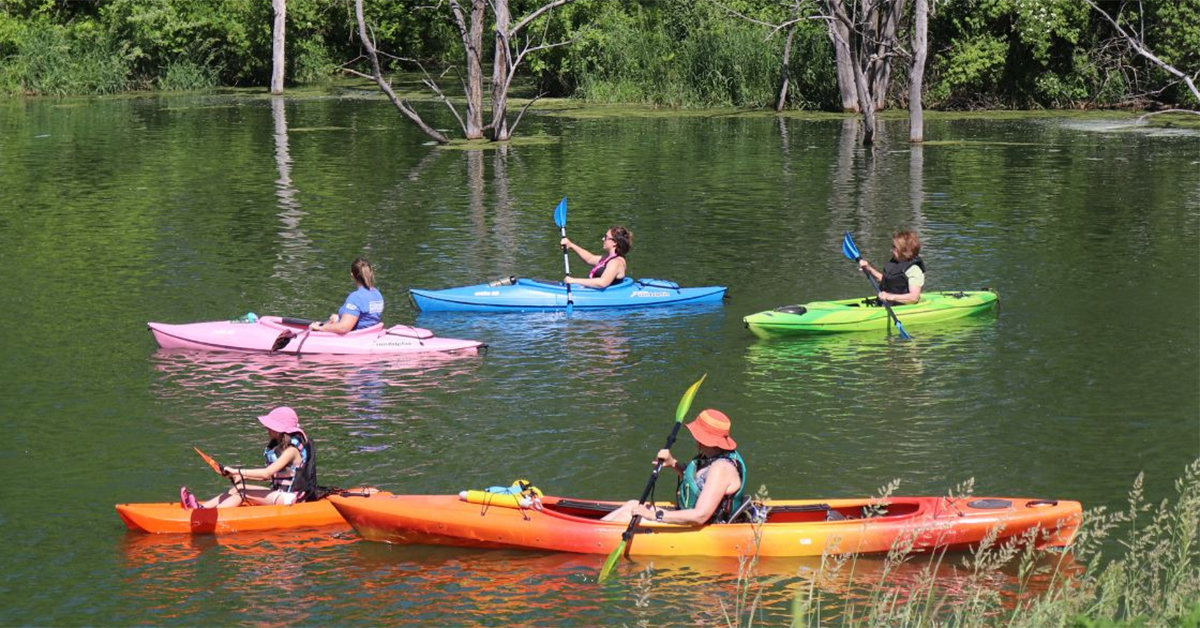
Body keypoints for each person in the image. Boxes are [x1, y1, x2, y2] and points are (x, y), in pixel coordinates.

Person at [601, 408, 747, 525]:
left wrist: (653, 515)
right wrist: (673, 464)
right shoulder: (710, 456)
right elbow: (698, 482)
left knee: (627, 516)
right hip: (693, 521)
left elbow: (700, 515)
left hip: (703, 529)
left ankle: (592, 536)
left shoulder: (721, 468)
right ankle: (595, 527)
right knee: (631, 504)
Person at [180, 406, 318, 509]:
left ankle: (207, 515)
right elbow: (274, 476)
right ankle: (200, 508)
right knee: (236, 488)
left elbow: (266, 474)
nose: (267, 429)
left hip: (291, 499)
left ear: (281, 429)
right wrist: (241, 477)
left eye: (270, 426)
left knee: (242, 492)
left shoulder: (291, 451)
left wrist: (237, 471)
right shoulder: (279, 448)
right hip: (280, 493)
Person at [310, 258, 384, 333]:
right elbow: (366, 318)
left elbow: (343, 328)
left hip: (355, 339)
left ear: (352, 276)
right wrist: (339, 318)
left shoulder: (356, 297)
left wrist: (320, 328)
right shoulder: (377, 294)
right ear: (370, 273)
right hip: (370, 334)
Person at [857, 230, 925, 305]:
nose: (891, 250)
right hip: (886, 303)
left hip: (903, 308)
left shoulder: (914, 269)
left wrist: (890, 296)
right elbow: (885, 280)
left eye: (894, 247)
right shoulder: (895, 263)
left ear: (904, 250)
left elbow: (913, 297)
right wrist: (869, 268)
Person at [561, 226, 633, 289]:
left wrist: (573, 280)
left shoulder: (616, 262)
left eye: (606, 237)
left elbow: (602, 283)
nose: (603, 239)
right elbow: (590, 258)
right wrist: (571, 245)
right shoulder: (610, 258)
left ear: (614, 242)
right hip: (591, 291)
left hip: (602, 295)